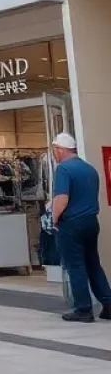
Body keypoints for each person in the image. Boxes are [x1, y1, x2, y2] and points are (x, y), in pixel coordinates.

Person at [51, 132, 111, 323]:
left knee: (75, 266)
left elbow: (61, 199)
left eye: (55, 151)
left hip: (71, 224)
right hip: (91, 222)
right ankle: (108, 304)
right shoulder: (89, 169)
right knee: (93, 264)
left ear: (60, 149)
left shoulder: (63, 169)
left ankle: (83, 309)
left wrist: (53, 219)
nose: (54, 155)